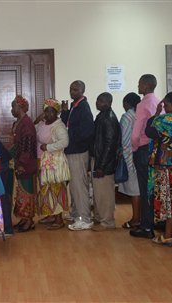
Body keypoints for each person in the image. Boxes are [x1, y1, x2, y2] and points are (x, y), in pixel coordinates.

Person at [145, 92, 172, 246]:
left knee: (168, 199)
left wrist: (157, 113)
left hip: (166, 164)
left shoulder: (167, 118)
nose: (165, 108)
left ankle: (167, 235)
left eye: (167, 105)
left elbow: (149, 130)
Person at [129, 74, 163, 239]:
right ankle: (152, 223)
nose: (138, 86)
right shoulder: (158, 102)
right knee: (152, 188)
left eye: (139, 84)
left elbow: (136, 132)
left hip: (142, 149)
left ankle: (146, 227)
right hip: (156, 149)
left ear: (146, 85)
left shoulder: (143, 104)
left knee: (145, 189)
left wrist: (134, 147)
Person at [60, 80, 95, 231]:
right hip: (72, 150)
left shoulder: (83, 107)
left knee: (79, 185)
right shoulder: (75, 106)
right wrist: (65, 112)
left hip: (78, 151)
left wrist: (70, 137)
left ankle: (84, 218)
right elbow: (69, 124)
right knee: (74, 186)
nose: (72, 92)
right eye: (71, 89)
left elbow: (86, 131)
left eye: (75, 89)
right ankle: (76, 214)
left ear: (82, 90)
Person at [36, 98, 70, 230]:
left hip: (54, 163)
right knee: (45, 190)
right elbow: (33, 129)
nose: (48, 114)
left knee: (56, 188)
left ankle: (59, 219)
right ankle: (50, 214)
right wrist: (39, 118)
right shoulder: (42, 124)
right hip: (43, 161)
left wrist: (48, 147)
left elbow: (64, 142)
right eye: (46, 111)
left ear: (57, 113)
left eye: (51, 111)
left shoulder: (59, 126)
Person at [90, 92, 121, 231]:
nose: (97, 102)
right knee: (98, 192)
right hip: (98, 159)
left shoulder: (109, 118)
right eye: (97, 100)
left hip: (104, 163)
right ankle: (99, 218)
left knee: (105, 194)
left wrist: (101, 166)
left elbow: (110, 145)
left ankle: (107, 222)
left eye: (101, 101)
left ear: (109, 103)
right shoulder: (101, 116)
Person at [10, 95, 38, 233]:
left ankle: (29, 221)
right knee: (21, 192)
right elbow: (17, 145)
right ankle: (23, 218)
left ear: (20, 107)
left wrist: (21, 163)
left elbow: (27, 146)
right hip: (20, 162)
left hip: (26, 164)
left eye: (13, 106)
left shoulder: (26, 123)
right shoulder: (19, 122)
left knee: (27, 192)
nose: (11, 110)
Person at [119, 93, 141, 229]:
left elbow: (125, 140)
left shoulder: (127, 116)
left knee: (134, 190)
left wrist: (126, 159)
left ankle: (136, 219)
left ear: (127, 103)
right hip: (140, 156)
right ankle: (141, 217)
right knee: (139, 189)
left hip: (130, 157)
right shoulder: (140, 114)